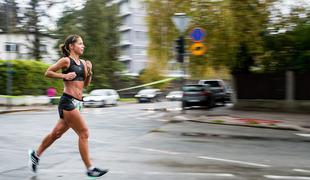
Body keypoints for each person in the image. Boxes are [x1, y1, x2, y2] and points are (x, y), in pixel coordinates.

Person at [28, 35, 108, 177]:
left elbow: (87, 83)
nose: (83, 46)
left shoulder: (84, 62)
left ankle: (36, 154)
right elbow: (48, 72)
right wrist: (64, 76)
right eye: (80, 44)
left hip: (78, 103)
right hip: (67, 101)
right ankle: (90, 168)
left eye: (83, 44)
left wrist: (90, 71)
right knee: (84, 133)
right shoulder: (66, 61)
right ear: (72, 46)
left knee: (56, 134)